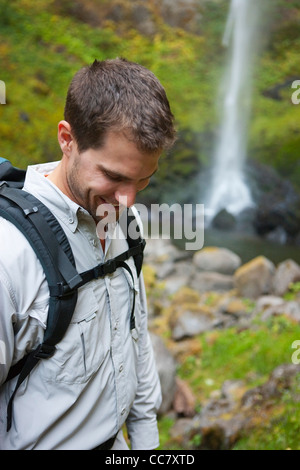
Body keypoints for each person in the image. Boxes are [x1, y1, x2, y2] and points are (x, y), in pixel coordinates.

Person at [0, 58, 176, 450]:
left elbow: (135, 334)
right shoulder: (8, 255)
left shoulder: (127, 223)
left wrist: (145, 441)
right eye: (113, 177)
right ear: (67, 138)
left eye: (143, 180)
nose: (127, 199)